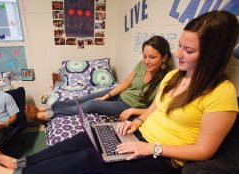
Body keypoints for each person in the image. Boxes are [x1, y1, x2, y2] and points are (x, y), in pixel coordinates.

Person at [0, 11, 238, 174]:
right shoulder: (173, 75)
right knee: (84, 137)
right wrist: (136, 124)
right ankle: (22, 161)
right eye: (180, 45)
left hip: (163, 158)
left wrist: (152, 148)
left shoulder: (221, 94)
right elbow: (155, 108)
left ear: (212, 55)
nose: (179, 54)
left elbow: (205, 150)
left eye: (189, 50)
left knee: (86, 159)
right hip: (137, 137)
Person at [26, 35, 174, 122]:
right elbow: (126, 83)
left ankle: (50, 114)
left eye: (152, 57)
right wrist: (108, 95)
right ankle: (50, 106)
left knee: (91, 105)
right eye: (145, 56)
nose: (147, 61)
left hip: (127, 106)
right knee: (85, 97)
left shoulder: (168, 80)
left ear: (164, 57)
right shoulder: (142, 65)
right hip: (118, 94)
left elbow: (155, 108)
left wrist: (133, 111)